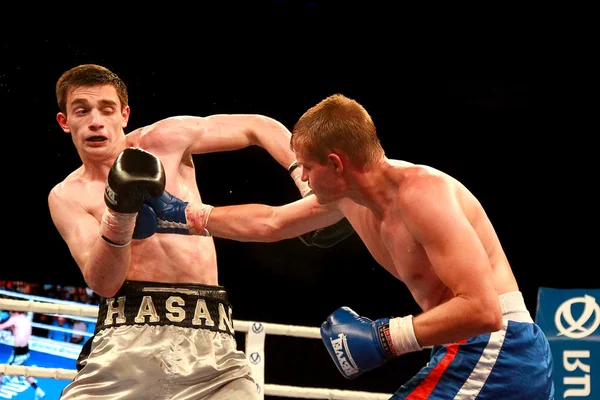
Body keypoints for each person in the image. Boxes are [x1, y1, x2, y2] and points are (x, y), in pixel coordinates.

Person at [140, 94, 555, 399]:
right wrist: (187, 213)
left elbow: (484, 310)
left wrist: (387, 337)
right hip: (467, 350)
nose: (300, 175)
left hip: (498, 348)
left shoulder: (423, 195)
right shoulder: (347, 199)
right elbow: (271, 222)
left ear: (337, 164)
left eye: (306, 166)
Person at [48, 64, 352, 400]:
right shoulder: (67, 195)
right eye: (82, 111)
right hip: (123, 347)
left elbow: (257, 127)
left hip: (211, 344)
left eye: (107, 109)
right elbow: (104, 283)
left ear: (124, 114)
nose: (95, 121)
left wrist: (302, 180)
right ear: (65, 121)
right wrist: (119, 215)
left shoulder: (164, 140)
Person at [0, 311, 46, 399]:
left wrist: (2, 321)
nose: (10, 315)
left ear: (14, 312)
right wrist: (11, 328)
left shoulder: (14, 319)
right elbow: (16, 333)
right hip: (25, 350)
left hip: (18, 353)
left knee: (1, 371)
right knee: (23, 372)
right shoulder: (25, 319)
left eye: (10, 313)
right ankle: (38, 390)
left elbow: (1, 327)